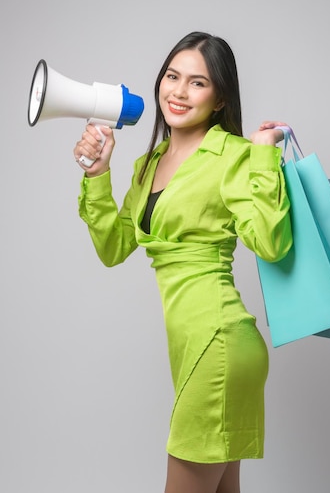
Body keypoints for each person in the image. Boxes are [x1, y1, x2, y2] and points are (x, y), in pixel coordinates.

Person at [74, 31, 293, 493]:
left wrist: (264, 156)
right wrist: (97, 176)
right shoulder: (150, 163)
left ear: (219, 99)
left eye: (198, 83)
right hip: (194, 346)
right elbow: (114, 248)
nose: (178, 91)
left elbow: (271, 244)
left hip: (219, 342)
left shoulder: (233, 156)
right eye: (172, 76)